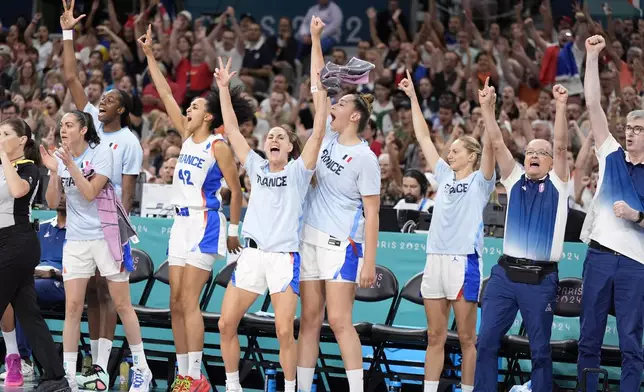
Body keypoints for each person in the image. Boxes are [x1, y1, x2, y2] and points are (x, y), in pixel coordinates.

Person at [138, 25, 250, 392]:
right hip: (180, 225)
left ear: (209, 116)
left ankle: (195, 375)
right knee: (174, 301)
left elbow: (236, 190)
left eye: (196, 106)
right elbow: (168, 95)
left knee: (189, 300)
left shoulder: (218, 146)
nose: (188, 107)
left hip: (206, 223)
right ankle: (185, 375)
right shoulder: (187, 137)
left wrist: (234, 230)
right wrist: (153, 57)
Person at [215, 32, 328, 392]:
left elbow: (321, 125)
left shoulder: (298, 172)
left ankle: (292, 387)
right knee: (225, 324)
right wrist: (222, 88)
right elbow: (231, 128)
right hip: (252, 254)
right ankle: (233, 386)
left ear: (292, 147)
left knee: (283, 331)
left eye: (281, 136)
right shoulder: (256, 166)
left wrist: (314, 45)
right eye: (270, 136)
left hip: (283, 257)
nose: (274, 139)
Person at [60, 1, 143, 383]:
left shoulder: (128, 142)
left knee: (109, 295)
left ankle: (103, 365)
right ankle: (91, 364)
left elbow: (126, 195)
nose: (102, 101)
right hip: (81, 231)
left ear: (122, 111)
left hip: (109, 230)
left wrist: (119, 239)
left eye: (111, 99)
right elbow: (72, 78)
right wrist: (67, 34)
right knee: (86, 297)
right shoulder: (89, 126)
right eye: (103, 98)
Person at [296, 16, 380, 392]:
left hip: (341, 244)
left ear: (355, 115)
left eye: (341, 102)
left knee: (340, 322)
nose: (334, 103)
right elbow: (318, 85)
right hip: (309, 238)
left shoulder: (365, 157)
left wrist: (370, 261)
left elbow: (373, 211)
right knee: (309, 319)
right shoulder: (327, 133)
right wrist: (316, 39)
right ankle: (302, 386)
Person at [40, 109, 152, 392]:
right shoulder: (63, 159)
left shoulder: (102, 153)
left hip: (107, 237)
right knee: (73, 308)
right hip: (77, 241)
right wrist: (54, 171)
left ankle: (142, 368)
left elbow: (90, 192)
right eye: (61, 125)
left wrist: (68, 165)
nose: (63, 130)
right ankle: (68, 375)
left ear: (83, 129)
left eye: (69, 125)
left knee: (122, 304)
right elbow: (53, 201)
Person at [397, 72, 495, 392]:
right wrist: (413, 98)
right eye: (449, 151)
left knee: (467, 339)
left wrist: (488, 110)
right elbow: (424, 137)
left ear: (473, 156)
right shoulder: (444, 175)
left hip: (463, 261)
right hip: (435, 258)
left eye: (456, 151)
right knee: (435, 336)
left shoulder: (481, 181)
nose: (449, 154)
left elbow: (492, 147)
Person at [474, 81, 570, 392]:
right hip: (504, 275)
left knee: (540, 351)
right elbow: (499, 144)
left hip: (540, 279)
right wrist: (488, 108)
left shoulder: (559, 184)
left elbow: (560, 144)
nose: (534, 155)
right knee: (486, 341)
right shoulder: (514, 180)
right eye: (529, 151)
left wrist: (561, 106)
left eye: (540, 153)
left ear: (552, 162)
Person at [577, 35, 644, 392]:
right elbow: (592, 104)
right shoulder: (611, 154)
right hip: (600, 255)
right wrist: (591, 57)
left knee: (631, 343)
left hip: (636, 263)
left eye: (638, 129)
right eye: (629, 128)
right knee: (589, 337)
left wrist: (638, 217)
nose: (630, 133)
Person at [0, 118, 70, 392]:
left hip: (18, 243)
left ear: (22, 140)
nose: (1, 138)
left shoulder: (27, 168)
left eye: (6, 134)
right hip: (4, 242)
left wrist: (5, 157)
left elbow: (18, 191)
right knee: (29, 314)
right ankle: (55, 376)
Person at [0, 192, 67, 384]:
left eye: (65, 193)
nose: (61, 197)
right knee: (27, 309)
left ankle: (22, 360)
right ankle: (46, 370)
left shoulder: (78, 231)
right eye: (59, 193)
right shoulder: (42, 227)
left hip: (60, 281)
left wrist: (53, 273)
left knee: (20, 297)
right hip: (30, 273)